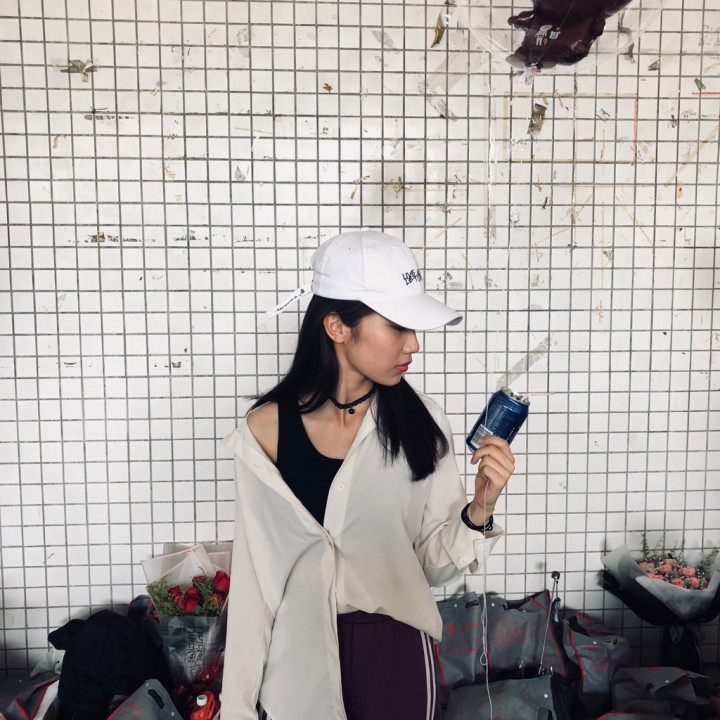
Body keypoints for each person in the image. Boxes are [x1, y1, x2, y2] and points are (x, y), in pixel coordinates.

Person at [221, 229, 516, 720]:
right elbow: (256, 582)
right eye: (398, 325)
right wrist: (238, 706)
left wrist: (480, 509)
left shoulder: (422, 424)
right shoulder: (264, 432)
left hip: (397, 656)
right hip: (297, 663)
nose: (414, 343)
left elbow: (432, 566)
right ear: (337, 326)